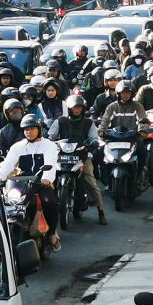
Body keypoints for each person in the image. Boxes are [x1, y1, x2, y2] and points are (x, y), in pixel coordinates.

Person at [0, 114, 61, 252]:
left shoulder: (49, 146)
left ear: (39, 129)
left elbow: (50, 164)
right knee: (6, 203)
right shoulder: (17, 147)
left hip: (41, 183)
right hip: (22, 183)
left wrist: (46, 179)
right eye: (26, 129)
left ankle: (51, 234)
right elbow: (7, 165)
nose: (28, 132)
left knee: (50, 203)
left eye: (32, 128)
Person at [48, 95, 108, 225]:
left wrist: (94, 143)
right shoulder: (60, 121)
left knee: (91, 183)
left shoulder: (89, 123)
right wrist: (49, 141)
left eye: (79, 107)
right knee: (47, 178)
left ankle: (101, 211)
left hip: (82, 156)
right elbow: (51, 135)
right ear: (69, 108)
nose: (77, 110)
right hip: (61, 156)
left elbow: (93, 137)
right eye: (74, 107)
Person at [98, 80, 149, 180]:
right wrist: (101, 130)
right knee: (99, 152)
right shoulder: (112, 107)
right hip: (113, 138)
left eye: (127, 93)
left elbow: (142, 120)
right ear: (118, 93)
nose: (125, 95)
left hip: (132, 137)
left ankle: (139, 174)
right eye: (123, 93)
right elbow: (105, 119)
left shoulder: (138, 106)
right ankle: (104, 177)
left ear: (132, 94)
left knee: (142, 151)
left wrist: (143, 131)